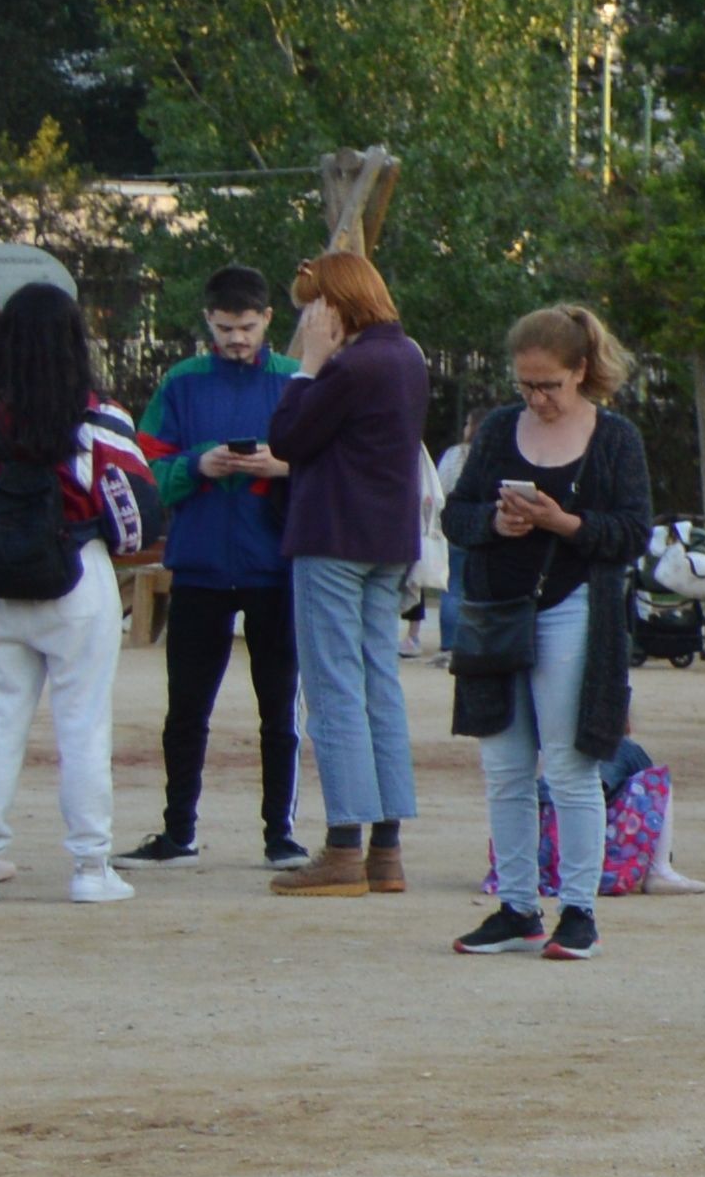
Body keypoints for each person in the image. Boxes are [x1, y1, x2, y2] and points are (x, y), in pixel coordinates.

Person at [434, 304, 654, 958]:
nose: (538, 397)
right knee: (503, 765)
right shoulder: (501, 429)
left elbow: (631, 535)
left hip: (576, 608)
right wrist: (495, 525)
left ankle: (579, 912)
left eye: (550, 385)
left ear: (581, 370)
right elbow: (457, 516)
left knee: (569, 764)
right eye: (526, 385)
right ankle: (517, 907)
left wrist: (564, 523)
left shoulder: (616, 438)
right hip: (498, 612)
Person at [0, 277, 155, 904]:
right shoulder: (100, 418)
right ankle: (90, 868)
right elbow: (134, 519)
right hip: (77, 578)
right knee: (84, 728)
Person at [268, 249, 433, 895]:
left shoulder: (350, 365)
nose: (308, 316)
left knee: (333, 689)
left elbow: (287, 438)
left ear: (336, 303)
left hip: (332, 536)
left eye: (313, 302)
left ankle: (342, 847)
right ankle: (385, 850)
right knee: (379, 685)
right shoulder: (408, 357)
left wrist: (307, 366)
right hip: (388, 540)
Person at [129, 264, 306, 870]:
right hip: (200, 566)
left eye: (248, 327)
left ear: (268, 322)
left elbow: (329, 466)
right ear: (208, 320)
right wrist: (196, 467)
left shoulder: (294, 381)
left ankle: (281, 833)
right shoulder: (179, 384)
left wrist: (280, 469)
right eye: (227, 327)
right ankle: (179, 831)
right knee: (186, 710)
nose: (237, 338)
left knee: (279, 711)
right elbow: (143, 473)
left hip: (275, 570)